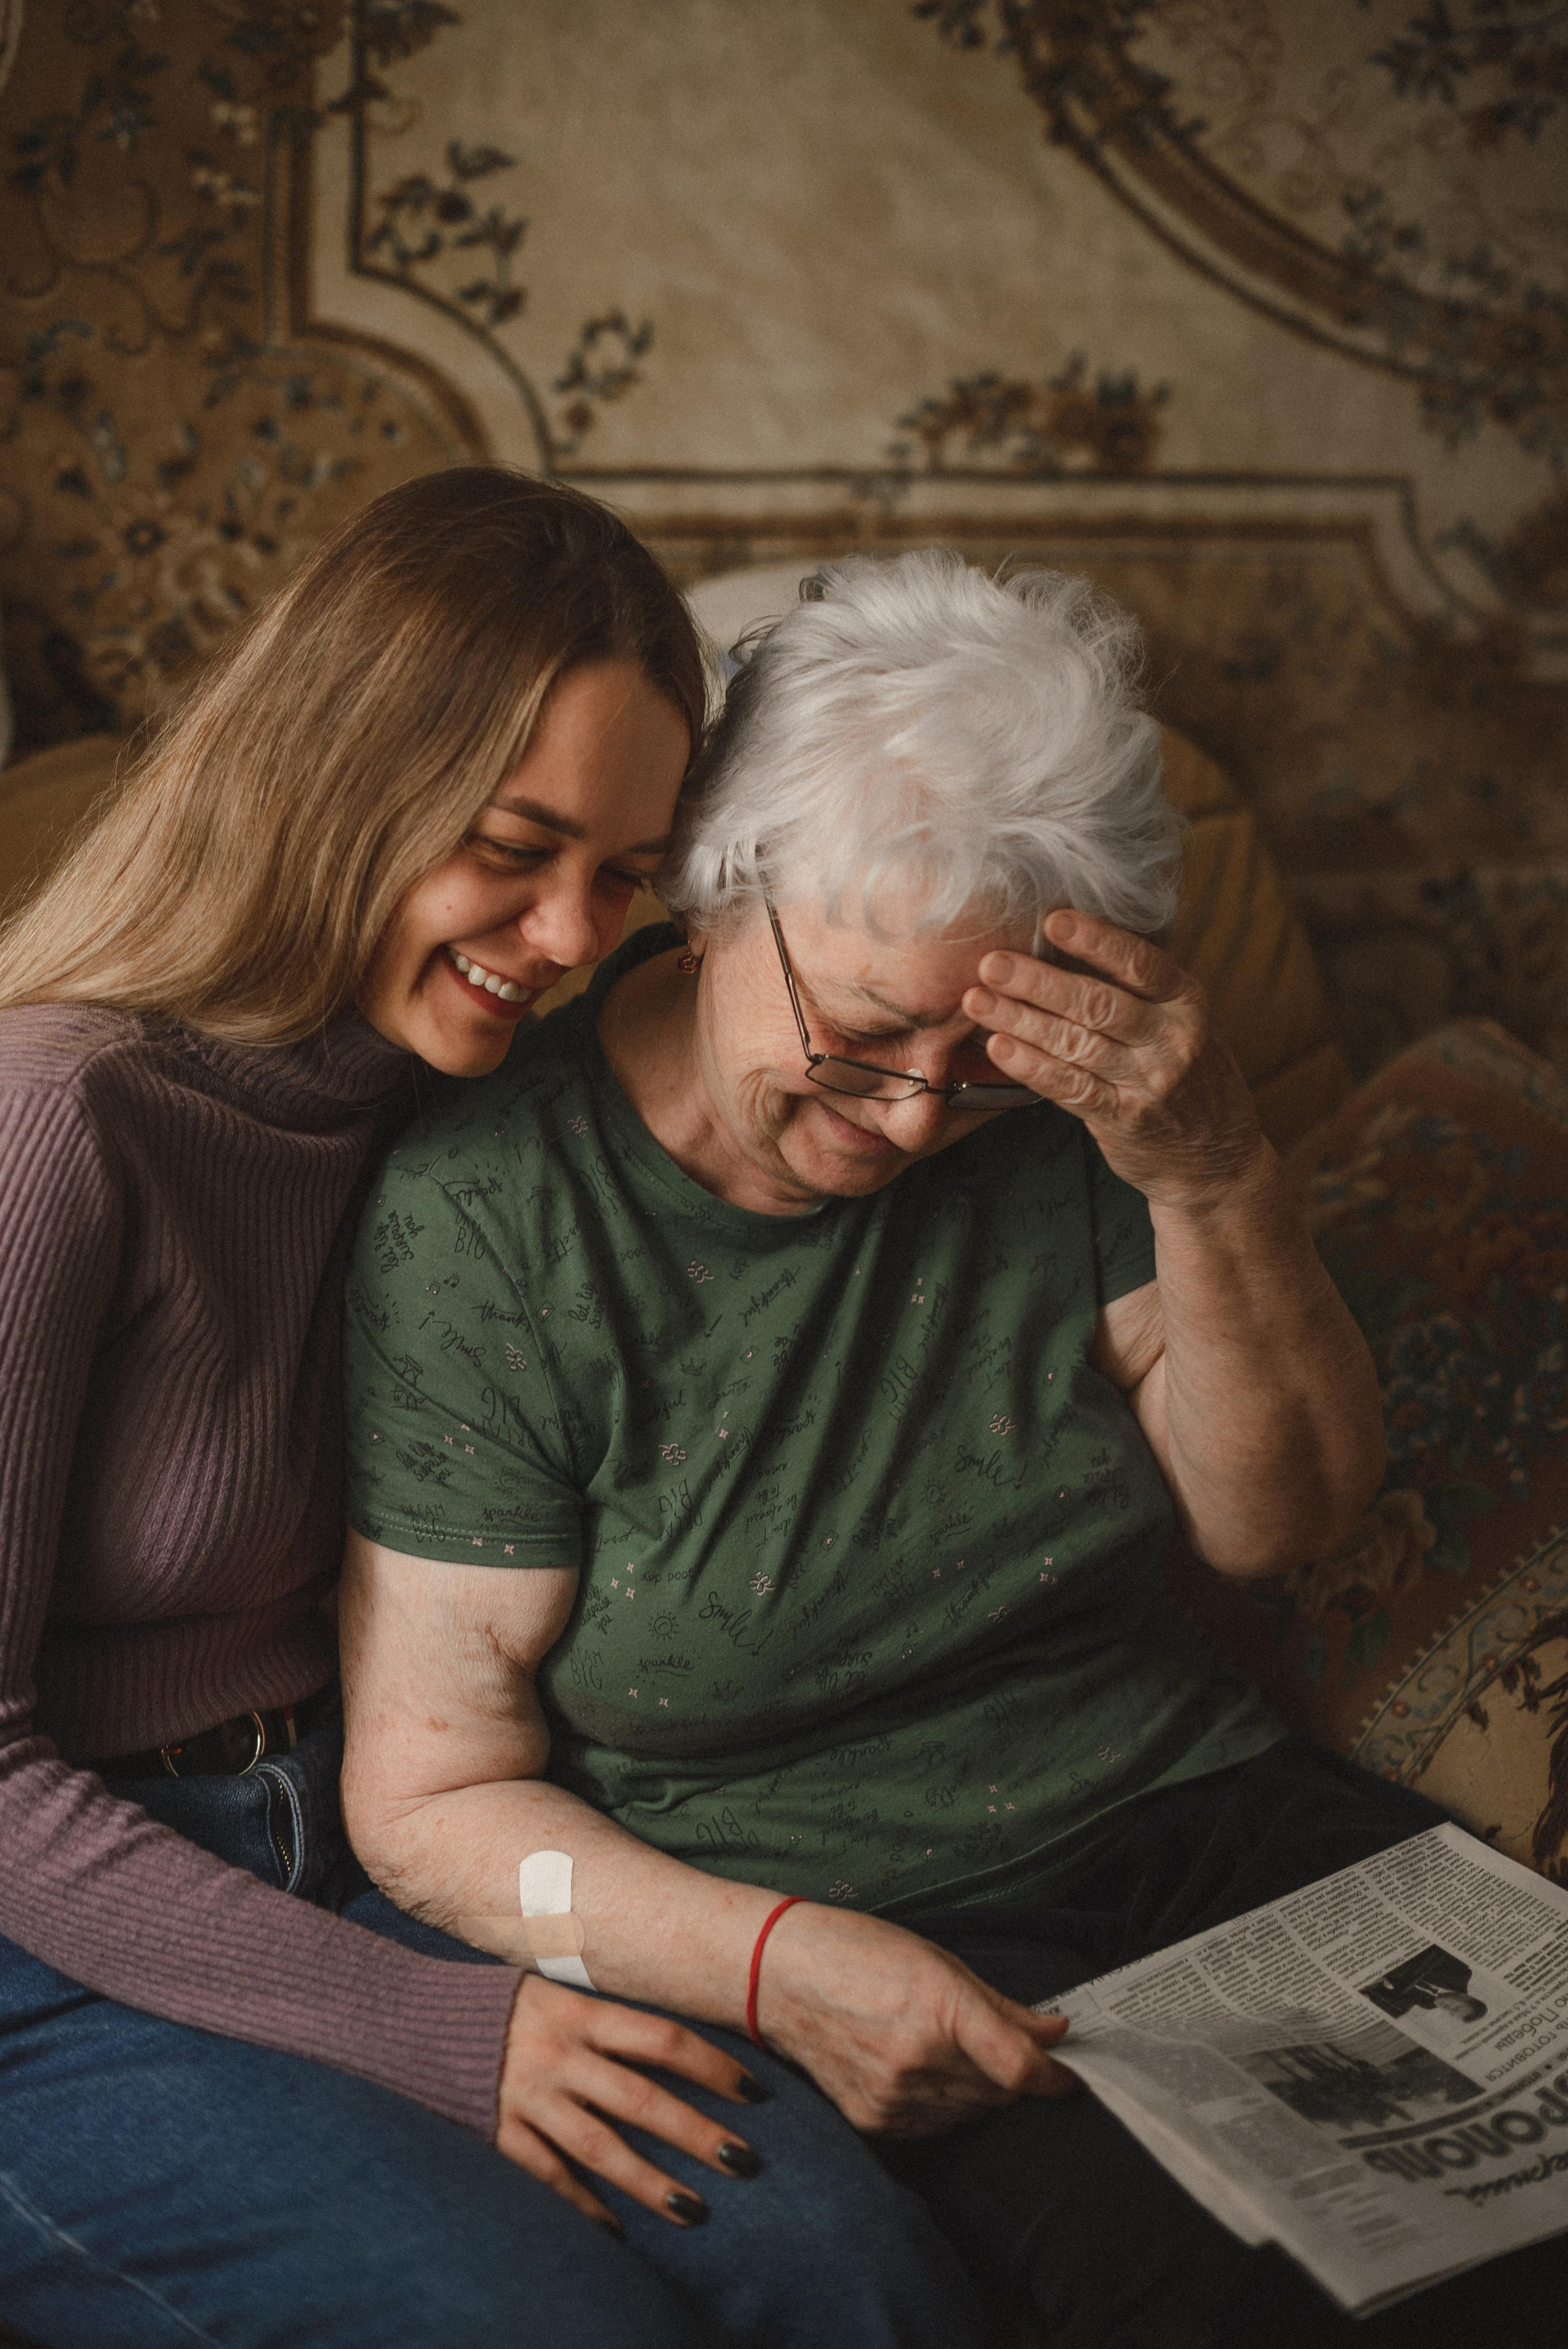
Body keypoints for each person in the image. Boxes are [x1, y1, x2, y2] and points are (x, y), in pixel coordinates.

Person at [337, 548, 1567, 2343]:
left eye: (976, 1054)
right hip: (847, 1926)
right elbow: (426, 1799)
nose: (918, 1114)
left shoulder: (1079, 1100)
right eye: (858, 1033)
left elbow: (1276, 1520)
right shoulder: (492, 1218)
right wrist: (776, 1963)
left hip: (1209, 1817)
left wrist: (1211, 1171)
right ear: (714, 887)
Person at [0, 480, 992, 2349]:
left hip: (357, 1840)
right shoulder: (60, 1114)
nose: (559, 937)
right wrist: (452, 2033)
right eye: (512, 849)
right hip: (48, 1940)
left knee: (849, 2268)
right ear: (337, 780)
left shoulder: (462, 1095)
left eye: (622, 874)